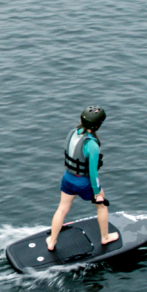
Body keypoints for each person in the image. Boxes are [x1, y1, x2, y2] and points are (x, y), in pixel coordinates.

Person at [46, 105, 118, 251]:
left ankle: (52, 241)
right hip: (83, 182)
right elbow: (93, 173)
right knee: (102, 207)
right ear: (97, 126)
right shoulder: (91, 144)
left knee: (62, 209)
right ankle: (105, 237)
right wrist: (97, 193)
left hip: (68, 179)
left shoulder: (73, 133)